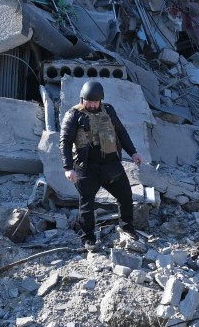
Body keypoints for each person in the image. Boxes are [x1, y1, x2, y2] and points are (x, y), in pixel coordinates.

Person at [59, 80, 143, 250]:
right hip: (86, 166)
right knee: (87, 204)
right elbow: (65, 142)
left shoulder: (109, 110)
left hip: (110, 164)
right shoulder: (73, 115)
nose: (91, 104)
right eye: (88, 101)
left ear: (100, 100)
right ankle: (88, 239)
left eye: (94, 101)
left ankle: (127, 227)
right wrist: (68, 168)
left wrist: (133, 152)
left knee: (125, 195)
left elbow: (121, 132)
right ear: (82, 99)